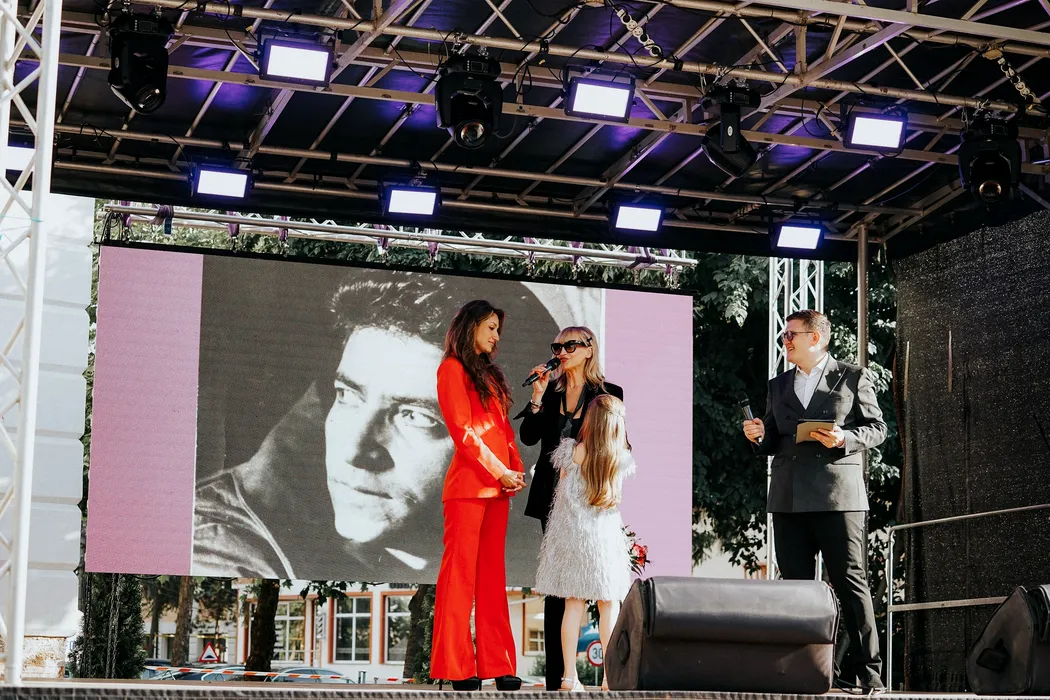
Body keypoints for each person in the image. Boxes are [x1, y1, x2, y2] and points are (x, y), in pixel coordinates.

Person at [192, 274, 554, 582]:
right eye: (348, 395)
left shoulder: (536, 548)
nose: (353, 450)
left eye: (416, 416)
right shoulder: (219, 547)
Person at [742, 309, 888, 695]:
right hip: (788, 498)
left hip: (838, 496)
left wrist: (844, 438)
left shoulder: (853, 375)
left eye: (791, 334)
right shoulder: (778, 385)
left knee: (850, 584)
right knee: (796, 589)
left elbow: (878, 428)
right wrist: (758, 435)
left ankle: (868, 673)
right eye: (784, 335)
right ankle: (803, 671)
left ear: (816, 338)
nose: (785, 341)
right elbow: (772, 440)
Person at [515, 326, 623, 691]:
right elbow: (529, 436)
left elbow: (618, 445)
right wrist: (536, 397)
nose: (561, 351)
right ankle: (559, 678)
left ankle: (608, 676)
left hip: (591, 498)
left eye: (570, 345)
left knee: (601, 588)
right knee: (559, 586)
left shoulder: (608, 393)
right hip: (553, 498)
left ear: (589, 350)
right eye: (557, 346)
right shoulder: (551, 392)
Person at [430, 300, 525, 692]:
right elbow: (463, 431)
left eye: (498, 329)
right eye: (490, 327)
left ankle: (499, 664)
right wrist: (500, 470)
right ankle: (456, 667)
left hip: (497, 488)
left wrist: (513, 468)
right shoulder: (452, 369)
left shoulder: (489, 375)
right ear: (471, 327)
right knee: (460, 578)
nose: (496, 336)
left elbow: (501, 429)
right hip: (468, 489)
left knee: (491, 578)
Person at [534, 394, 635, 692]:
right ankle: (609, 678)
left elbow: (562, 490)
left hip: (571, 537)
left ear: (589, 421)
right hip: (603, 540)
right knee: (609, 605)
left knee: (573, 604)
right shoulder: (619, 459)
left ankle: (569, 676)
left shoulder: (570, 451)